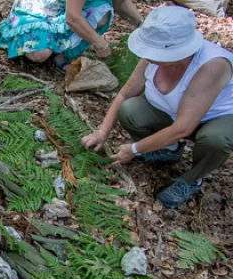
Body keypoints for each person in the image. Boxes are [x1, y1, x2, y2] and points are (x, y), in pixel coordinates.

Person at [81, 6, 233, 209]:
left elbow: (183, 128)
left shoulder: (212, 65)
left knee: (216, 141)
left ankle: (193, 178)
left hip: (216, 118)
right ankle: (169, 150)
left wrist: (134, 149)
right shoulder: (156, 54)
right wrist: (102, 131)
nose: (150, 56)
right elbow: (126, 93)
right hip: (173, 114)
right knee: (130, 110)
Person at [0, 0, 143, 68]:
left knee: (102, 12)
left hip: (65, 9)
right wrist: (99, 42)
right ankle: (51, 49)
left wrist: (142, 25)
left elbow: (121, 3)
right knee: (40, 54)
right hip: (39, 10)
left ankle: (61, 53)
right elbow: (72, 18)